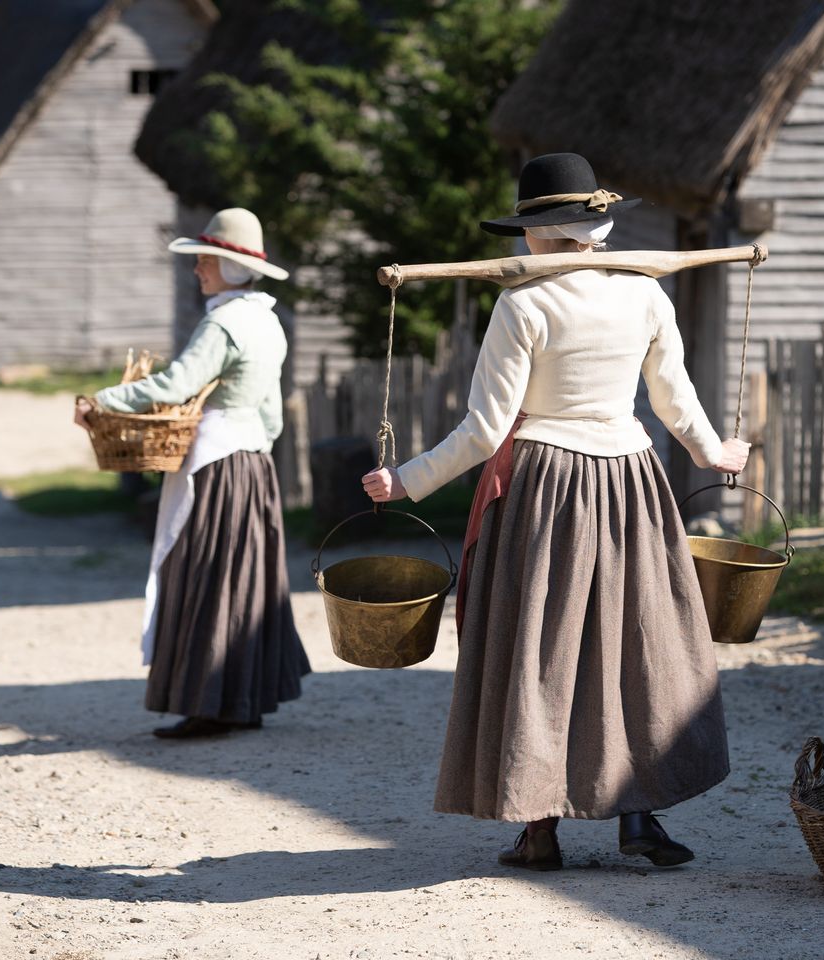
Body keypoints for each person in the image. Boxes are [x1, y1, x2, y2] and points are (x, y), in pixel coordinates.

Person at [361, 153, 750, 870]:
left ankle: (540, 831)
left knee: (543, 651)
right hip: (630, 481)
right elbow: (673, 400)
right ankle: (638, 816)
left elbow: (483, 431)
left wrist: (404, 482)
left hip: (546, 486)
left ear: (538, 234)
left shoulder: (523, 304)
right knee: (635, 646)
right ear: (597, 229)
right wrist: (712, 453)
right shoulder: (644, 296)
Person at [75, 208, 311, 737]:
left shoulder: (224, 322)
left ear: (230, 268)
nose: (199, 269)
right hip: (251, 463)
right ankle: (242, 700)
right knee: (242, 579)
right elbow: (271, 408)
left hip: (217, 462)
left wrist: (102, 400)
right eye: (203, 259)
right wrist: (258, 451)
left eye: (208, 260)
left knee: (205, 575)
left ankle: (209, 705)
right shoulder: (266, 319)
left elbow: (174, 385)